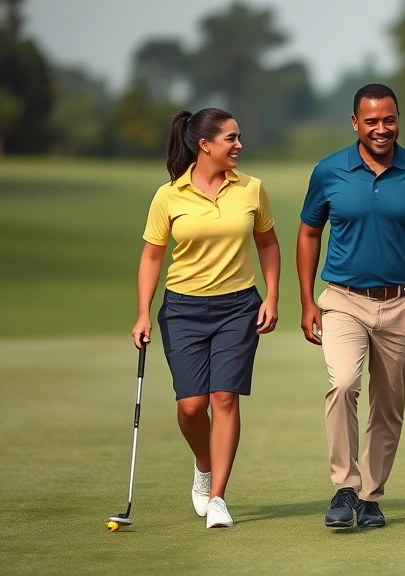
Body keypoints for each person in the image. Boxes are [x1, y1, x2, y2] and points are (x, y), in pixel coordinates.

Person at [296, 83, 405, 530]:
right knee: (343, 383)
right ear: (355, 123)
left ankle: (370, 497)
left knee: (388, 404)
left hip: (401, 303)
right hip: (343, 300)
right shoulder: (329, 171)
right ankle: (345, 487)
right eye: (371, 121)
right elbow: (309, 233)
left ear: (398, 119)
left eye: (389, 120)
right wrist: (307, 300)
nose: (381, 129)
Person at [131, 108, 281, 529]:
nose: (239, 145)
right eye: (231, 138)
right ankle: (204, 463)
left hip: (238, 308)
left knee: (225, 399)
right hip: (183, 310)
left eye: (238, 137)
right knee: (192, 407)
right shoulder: (169, 195)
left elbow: (268, 244)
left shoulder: (251, 188)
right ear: (204, 144)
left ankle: (218, 497)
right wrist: (143, 312)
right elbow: (152, 256)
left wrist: (271, 296)